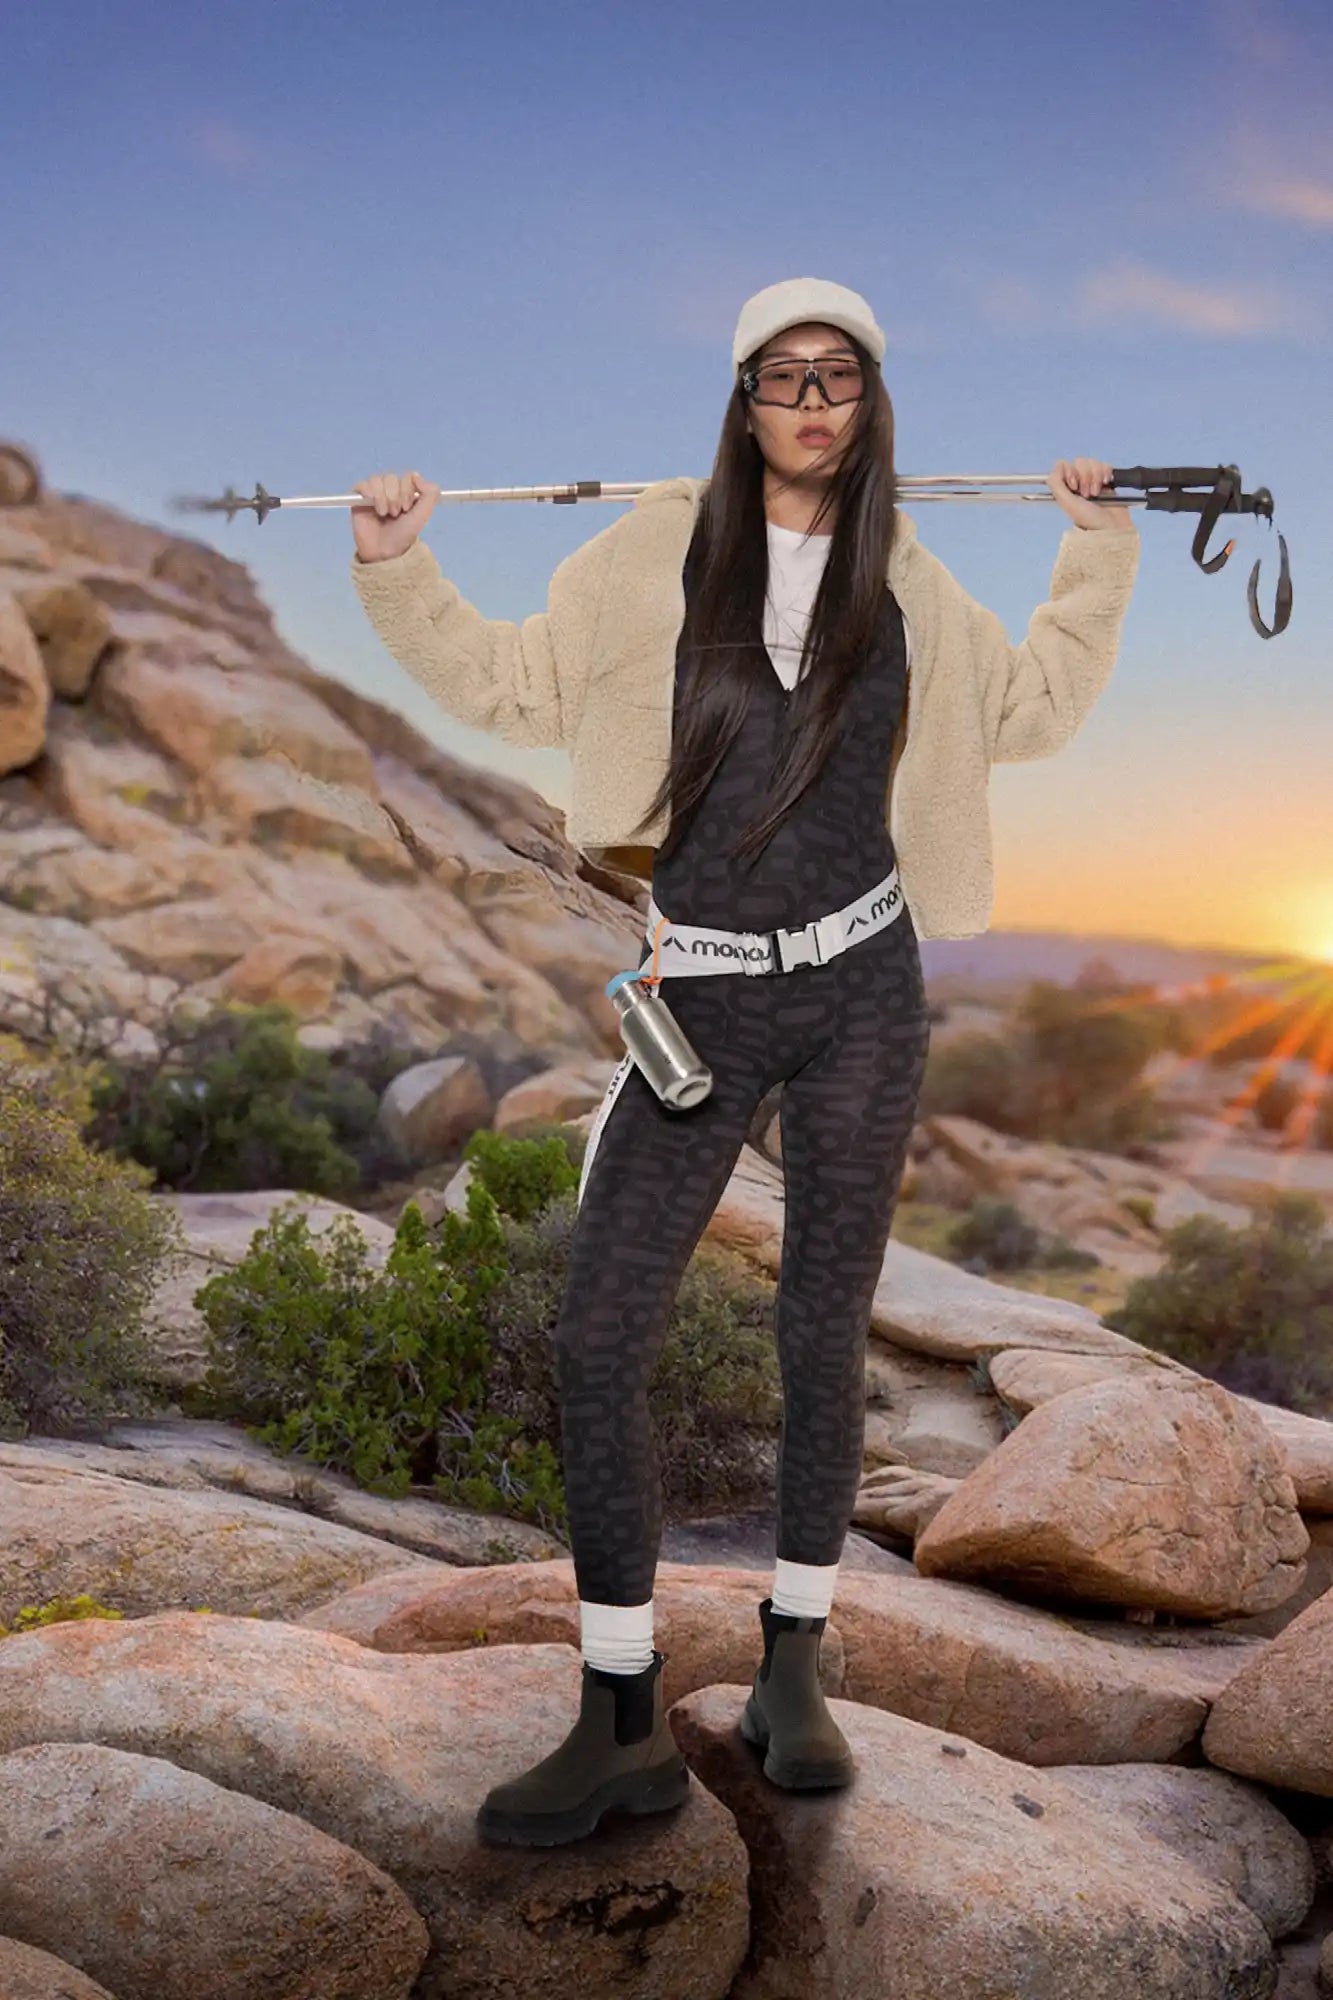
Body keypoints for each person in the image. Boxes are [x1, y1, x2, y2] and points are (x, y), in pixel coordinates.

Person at [349, 276, 1140, 1848]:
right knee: (596, 1337)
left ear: (868, 405)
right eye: (781, 374)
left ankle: (793, 1672)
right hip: (696, 998)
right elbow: (509, 683)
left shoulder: (910, 582)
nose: (809, 399)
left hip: (860, 988)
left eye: (837, 376)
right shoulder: (647, 556)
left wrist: (1093, 551)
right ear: (742, 397)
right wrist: (397, 568)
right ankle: (622, 1714)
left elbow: (1036, 713)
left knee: (816, 1331)